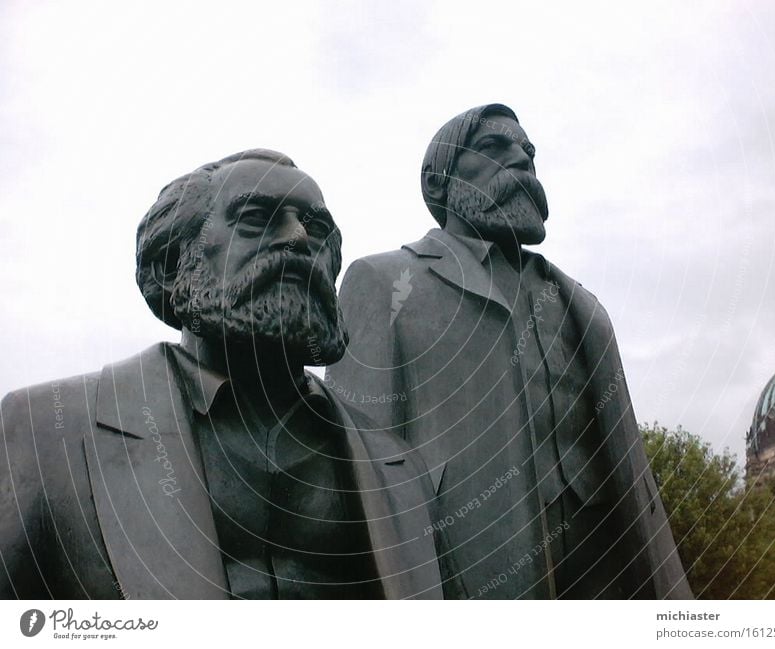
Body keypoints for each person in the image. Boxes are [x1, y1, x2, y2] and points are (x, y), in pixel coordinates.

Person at [0, 149, 442, 599]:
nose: (299, 237)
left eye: (318, 228)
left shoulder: (400, 467)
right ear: (171, 267)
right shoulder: (46, 432)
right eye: (255, 218)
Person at [326, 105, 692, 599]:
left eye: (529, 152)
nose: (521, 159)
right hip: (467, 569)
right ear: (438, 184)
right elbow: (358, 465)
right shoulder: (385, 281)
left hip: (608, 573)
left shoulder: (578, 304)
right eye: (496, 148)